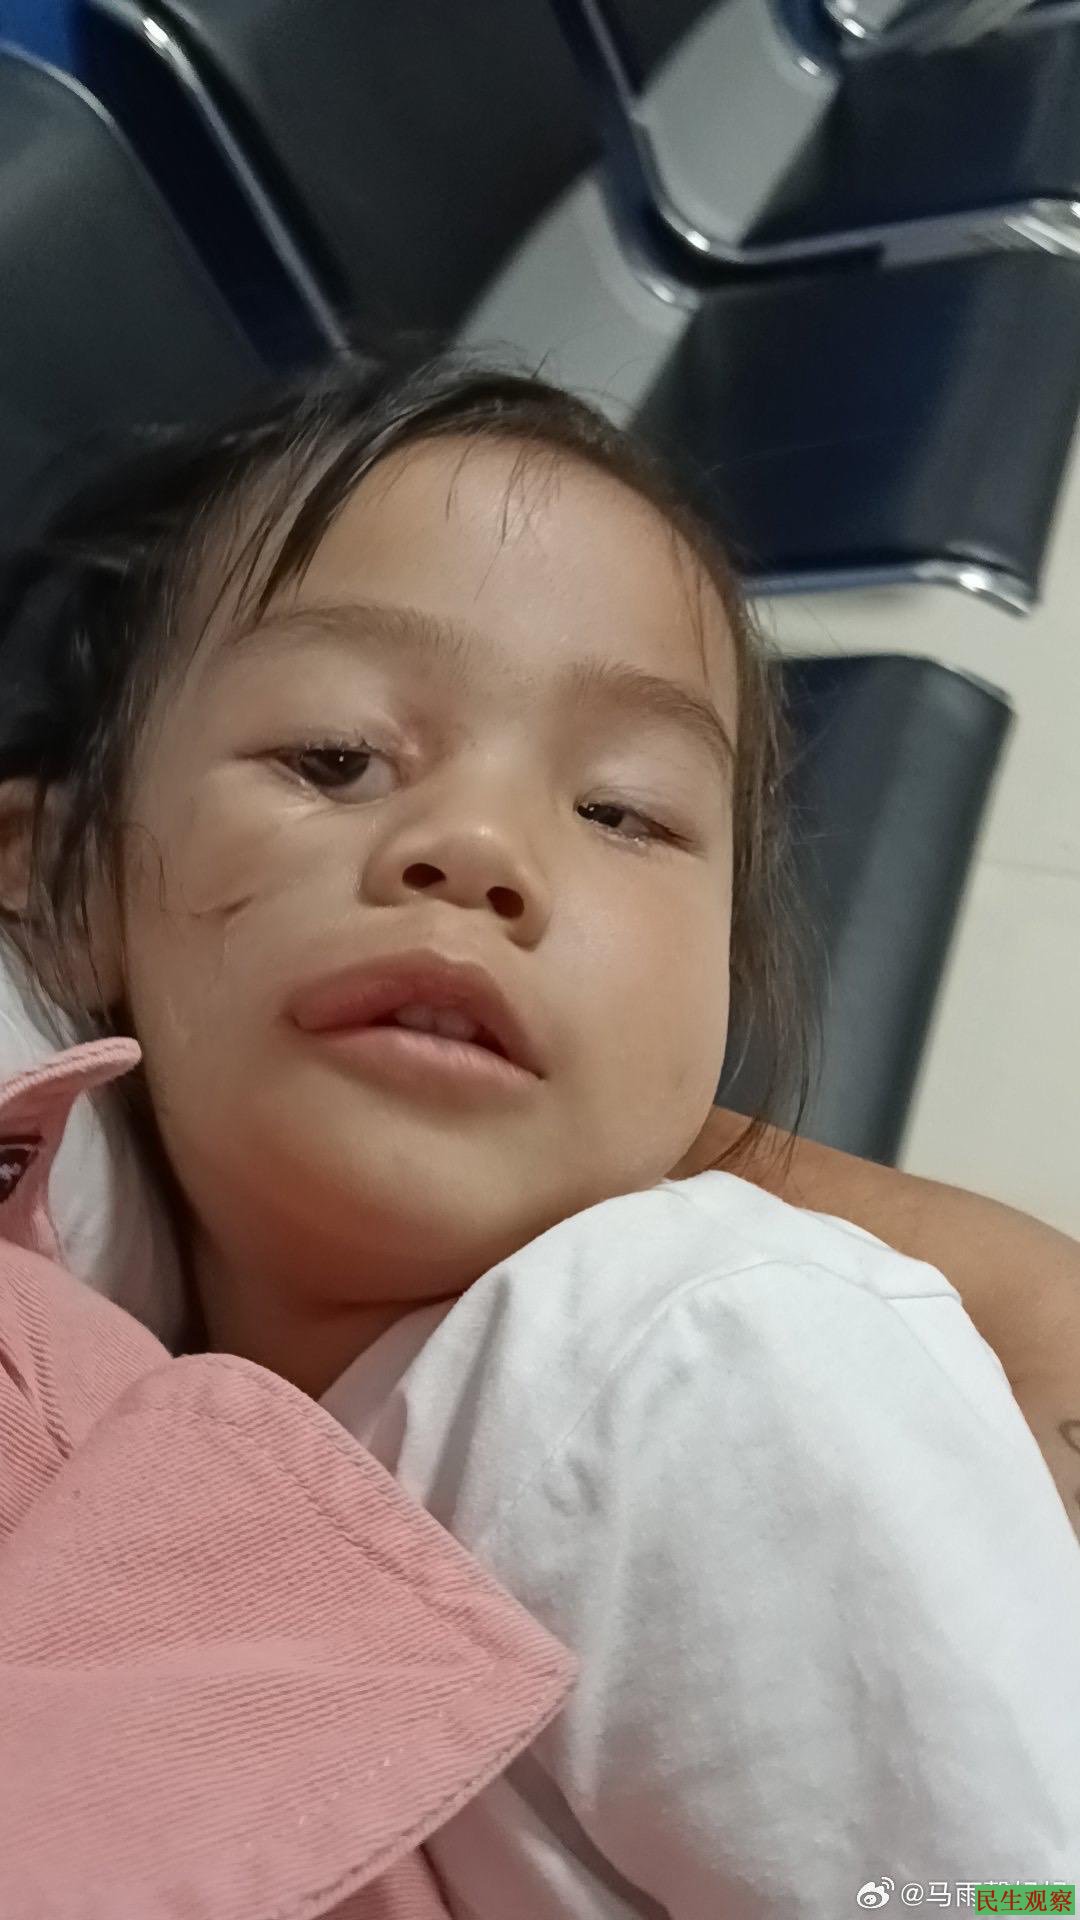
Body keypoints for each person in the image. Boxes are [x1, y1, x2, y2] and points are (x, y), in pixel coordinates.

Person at [0, 350, 1076, 1917]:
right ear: (59, 882)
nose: (478, 848)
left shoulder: (708, 1360)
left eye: (623, 810)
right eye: (334, 759)